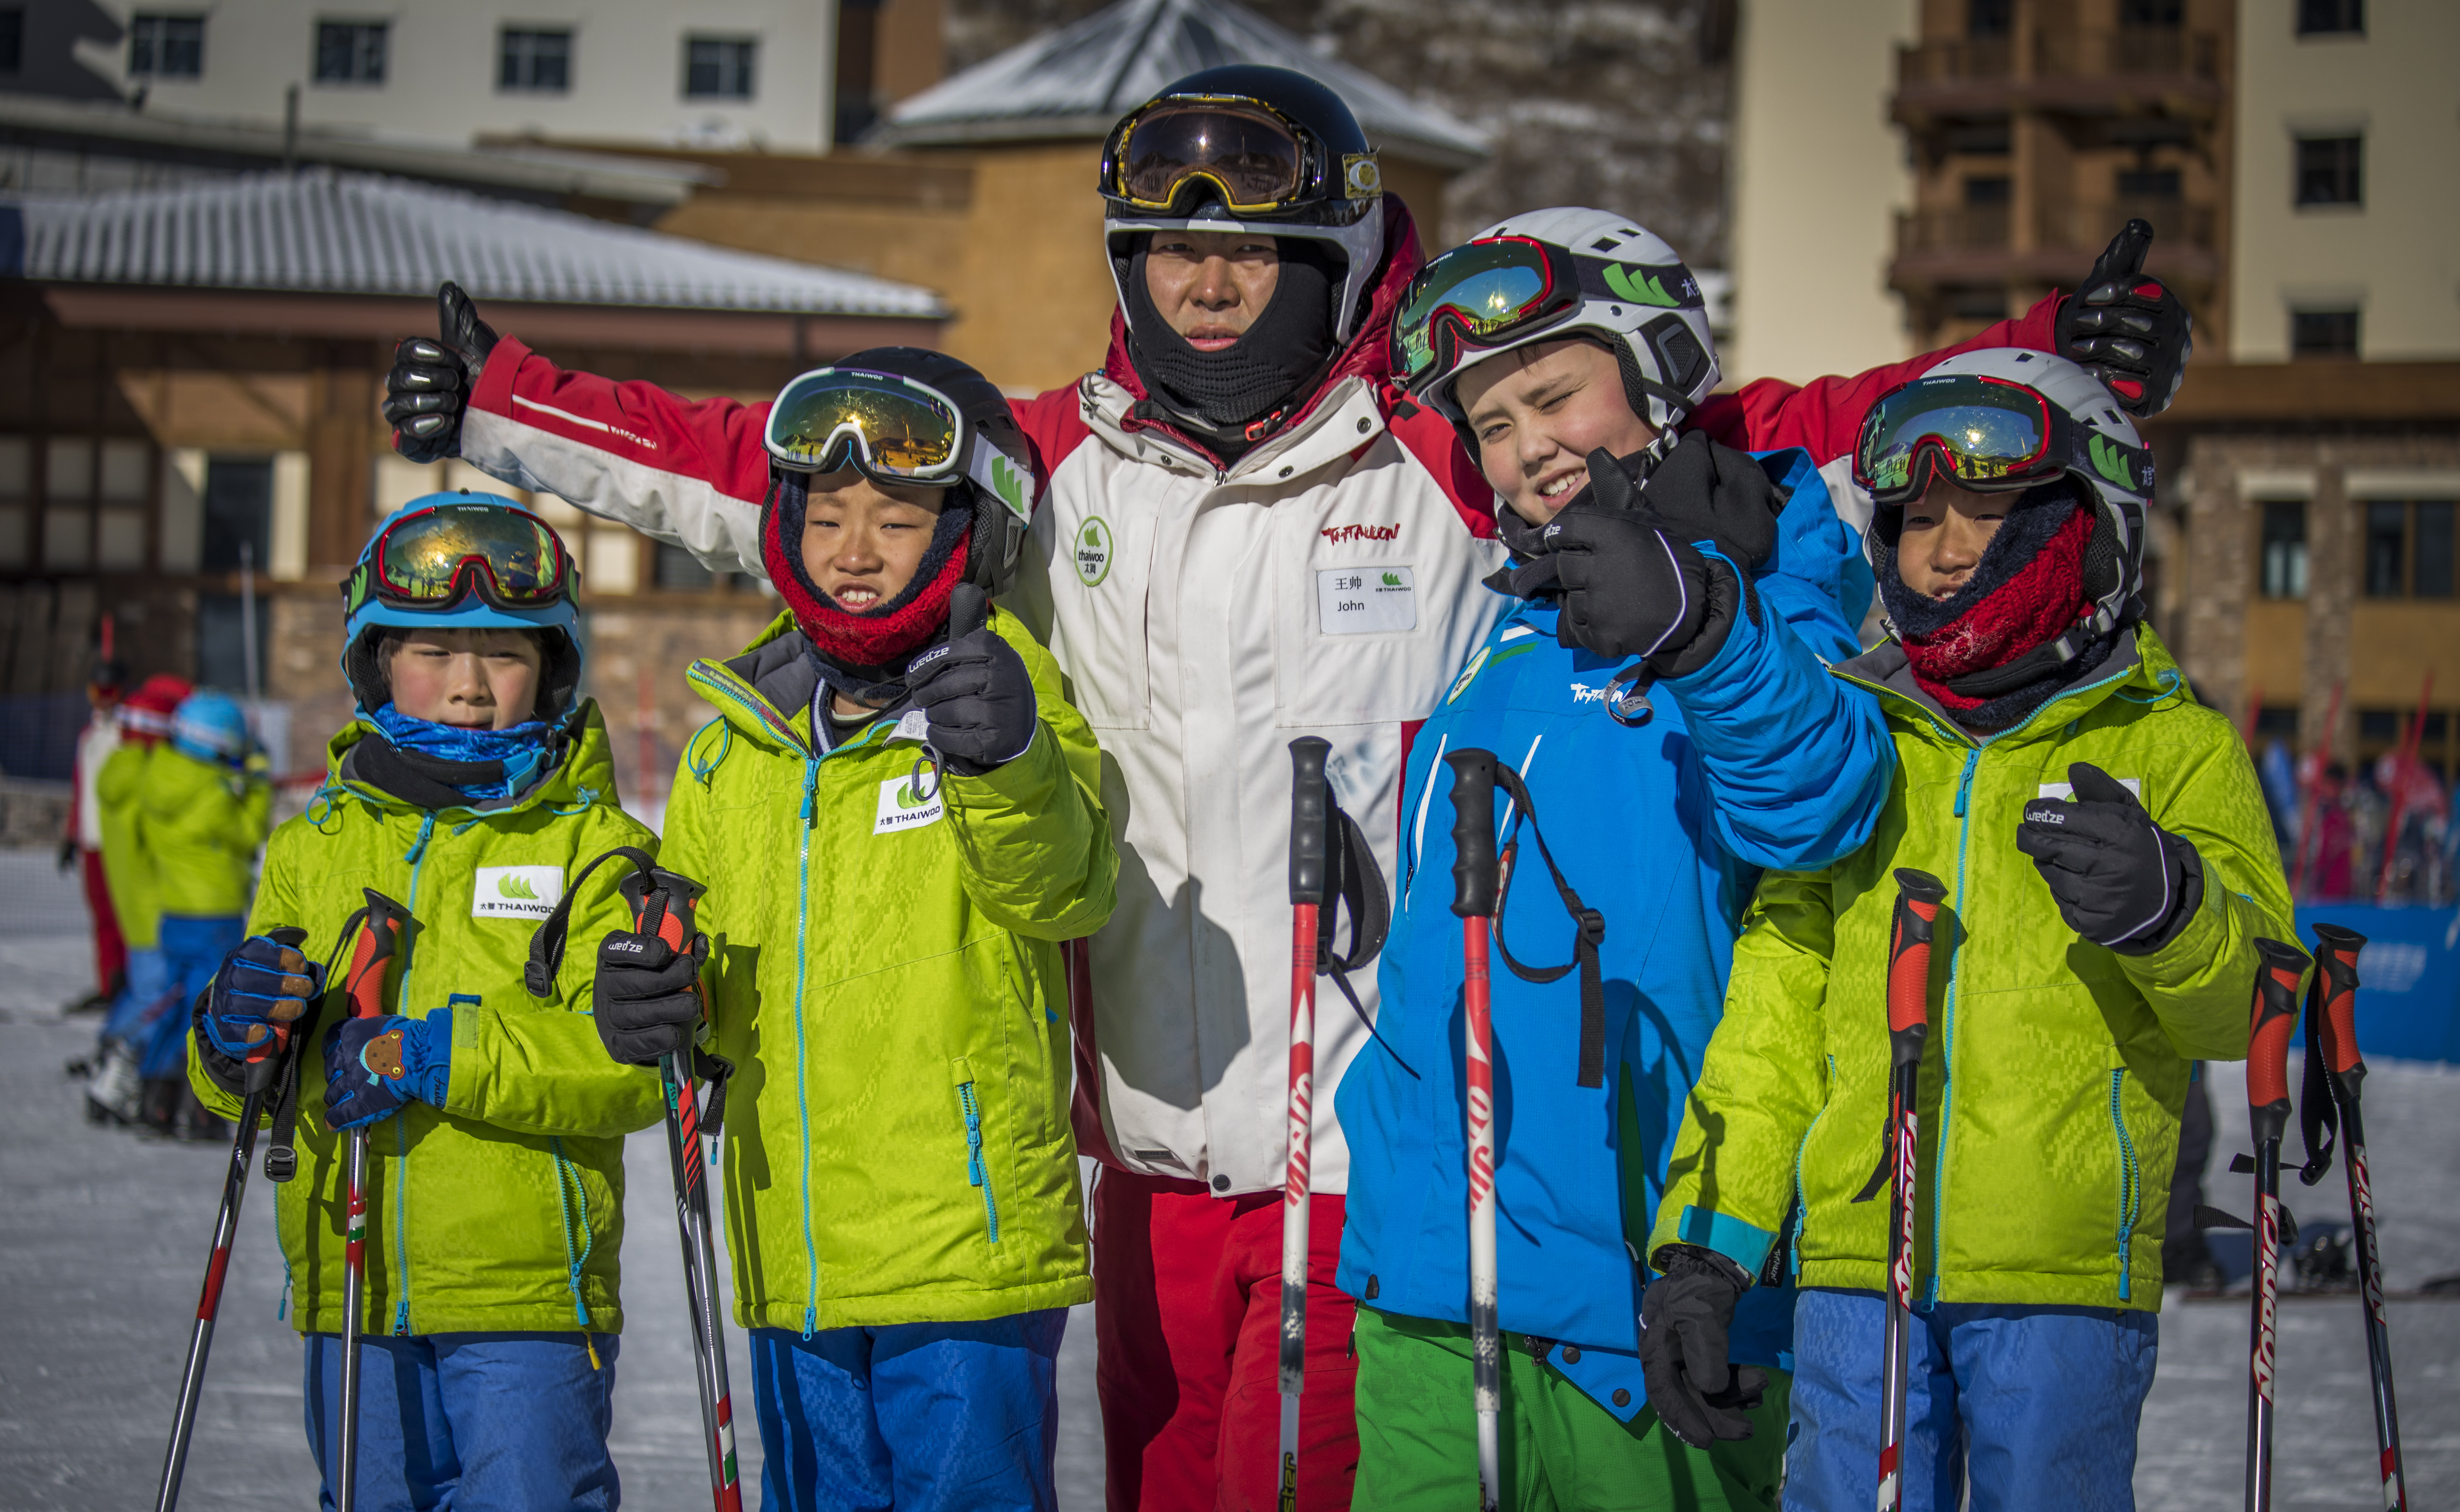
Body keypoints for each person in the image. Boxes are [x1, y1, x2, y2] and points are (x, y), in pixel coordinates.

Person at [380, 62, 2196, 1499]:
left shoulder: (1444, 449)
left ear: (1331, 259)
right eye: (1171, 249)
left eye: (1249, 247)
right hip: (1144, 1137)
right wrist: (504, 400)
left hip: (1369, 1152)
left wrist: (2036, 357)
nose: (1209, 277)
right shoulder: (1049, 479)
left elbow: (1742, 425)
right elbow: (763, 465)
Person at [1642, 351, 2293, 1510]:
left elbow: (2241, 1011)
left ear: (2086, 527)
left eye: (1987, 511)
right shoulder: (1860, 742)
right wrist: (1705, 1245)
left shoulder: (2171, 745)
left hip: (2060, 1278)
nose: (1942, 549)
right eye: (1913, 517)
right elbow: (1775, 1016)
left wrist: (2170, 910)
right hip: (1853, 1270)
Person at [1334, 208, 1896, 1512]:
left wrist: (1702, 629)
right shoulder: (1510, 626)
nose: (1527, 449)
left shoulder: (1779, 577)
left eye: (1552, 397)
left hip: (1643, 1306)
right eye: (1490, 424)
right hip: (1429, 1279)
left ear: (1654, 368)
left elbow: (1820, 806)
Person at [583, 351, 1116, 1511]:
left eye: (895, 518)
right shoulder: (737, 742)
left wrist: (1010, 763)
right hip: (796, 1248)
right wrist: (653, 990)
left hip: (964, 1252)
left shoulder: (1013, 697)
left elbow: (1066, 886)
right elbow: (712, 969)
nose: (855, 549)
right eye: (826, 516)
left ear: (971, 530)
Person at [184, 493, 664, 1510]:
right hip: (346, 1278)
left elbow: (626, 1068)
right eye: (433, 651)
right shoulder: (311, 846)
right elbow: (249, 1089)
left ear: (553, 667)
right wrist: (232, 1041)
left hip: (529, 1295)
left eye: (504, 654)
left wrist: (430, 1053)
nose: (470, 687)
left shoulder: (596, 849)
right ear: (372, 659)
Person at [135, 689, 273, 1137]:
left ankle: (155, 1101)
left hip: (174, 912)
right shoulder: (214, 793)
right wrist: (257, 780)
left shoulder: (160, 776)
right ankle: (201, 1110)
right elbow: (250, 832)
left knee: (177, 1006)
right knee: (209, 1012)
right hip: (213, 913)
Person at [87, 671, 193, 1126]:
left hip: (136, 904)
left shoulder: (119, 770)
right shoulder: (151, 779)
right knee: (159, 997)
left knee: (145, 991)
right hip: (159, 906)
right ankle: (116, 1072)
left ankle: (112, 1064)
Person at [62, 652, 126, 1015]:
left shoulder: (123, 733)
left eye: (108, 690)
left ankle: (127, 983)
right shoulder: (90, 733)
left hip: (117, 841)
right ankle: (108, 982)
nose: (101, 698)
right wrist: (71, 833)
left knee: (124, 915)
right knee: (101, 915)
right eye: (96, 690)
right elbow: (81, 786)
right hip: (91, 840)